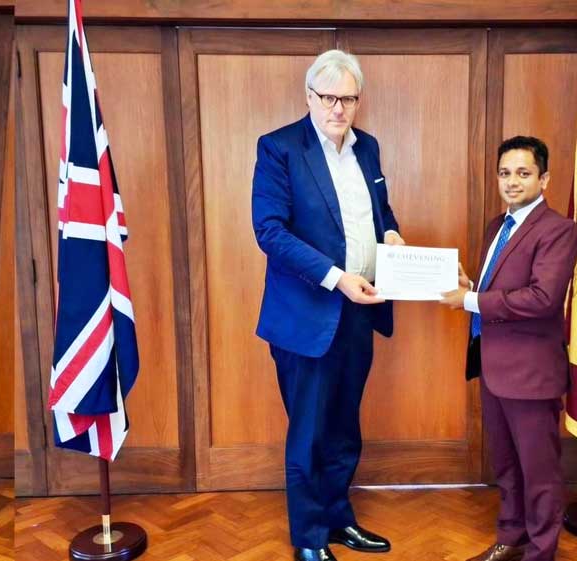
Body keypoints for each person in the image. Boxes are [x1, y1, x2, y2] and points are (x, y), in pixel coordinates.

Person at [251, 49, 404, 561]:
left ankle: (340, 520)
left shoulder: (368, 148)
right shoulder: (279, 148)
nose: (339, 108)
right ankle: (310, 539)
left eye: (348, 99)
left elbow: (381, 211)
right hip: (306, 317)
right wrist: (337, 278)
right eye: (329, 98)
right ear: (309, 97)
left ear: (359, 101)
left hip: (360, 311)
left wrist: (391, 234)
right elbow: (270, 232)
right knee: (310, 433)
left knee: (344, 428)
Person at [440, 136, 577, 561]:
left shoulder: (559, 230)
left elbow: (543, 299)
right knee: (505, 464)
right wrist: (471, 285)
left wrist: (470, 300)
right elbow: (500, 288)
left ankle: (541, 551)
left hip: (531, 375)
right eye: (505, 173)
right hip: (493, 366)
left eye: (523, 173)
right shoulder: (496, 225)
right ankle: (511, 537)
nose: (512, 182)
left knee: (539, 472)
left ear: (544, 179)